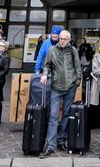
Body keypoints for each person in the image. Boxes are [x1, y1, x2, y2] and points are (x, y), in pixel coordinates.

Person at [39, 29, 82, 157]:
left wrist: (77, 81)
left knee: (67, 114)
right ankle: (51, 145)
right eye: (61, 38)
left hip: (70, 87)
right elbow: (47, 65)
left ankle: (62, 140)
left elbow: (77, 66)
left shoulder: (73, 50)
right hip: (56, 87)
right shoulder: (52, 50)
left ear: (69, 40)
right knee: (53, 115)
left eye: (65, 39)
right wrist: (45, 74)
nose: (62, 41)